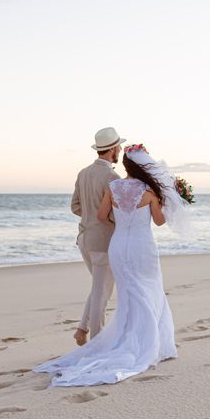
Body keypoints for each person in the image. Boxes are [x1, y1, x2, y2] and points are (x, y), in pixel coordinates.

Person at [32, 143, 187, 387]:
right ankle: (150, 342)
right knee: (149, 290)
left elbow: (102, 216)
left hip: (118, 245)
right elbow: (158, 222)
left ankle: (123, 337)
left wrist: (123, 220)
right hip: (141, 246)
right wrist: (169, 202)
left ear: (125, 165)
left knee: (127, 294)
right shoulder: (149, 191)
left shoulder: (113, 187)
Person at [70, 127, 124, 346]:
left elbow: (75, 206)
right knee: (102, 294)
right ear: (112, 150)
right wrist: (107, 219)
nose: (120, 149)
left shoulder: (83, 173)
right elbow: (113, 213)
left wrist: (90, 215)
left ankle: (81, 329)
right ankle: (97, 343)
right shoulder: (112, 177)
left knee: (98, 288)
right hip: (102, 241)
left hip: (84, 237)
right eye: (119, 146)